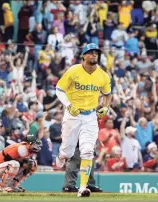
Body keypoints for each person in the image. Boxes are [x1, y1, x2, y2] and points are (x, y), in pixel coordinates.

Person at [55, 43, 112, 197]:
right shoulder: (74, 70)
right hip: (73, 114)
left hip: (90, 116)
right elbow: (59, 89)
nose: (94, 55)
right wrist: (68, 105)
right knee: (68, 151)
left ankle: (82, 188)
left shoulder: (103, 75)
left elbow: (107, 94)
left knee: (87, 151)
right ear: (84, 55)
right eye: (91, 52)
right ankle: (61, 155)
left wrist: (105, 108)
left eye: (96, 53)